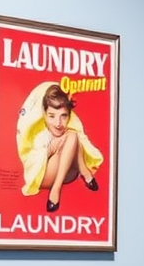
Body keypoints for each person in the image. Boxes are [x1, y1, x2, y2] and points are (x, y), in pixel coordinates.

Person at [16, 82, 103, 212]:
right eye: (52, 116)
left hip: (66, 175)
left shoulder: (69, 131)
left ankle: (83, 171)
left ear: (69, 115)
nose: (58, 123)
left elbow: (77, 141)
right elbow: (33, 166)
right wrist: (51, 149)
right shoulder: (41, 135)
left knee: (74, 135)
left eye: (64, 116)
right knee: (73, 136)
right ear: (44, 114)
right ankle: (58, 188)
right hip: (42, 177)